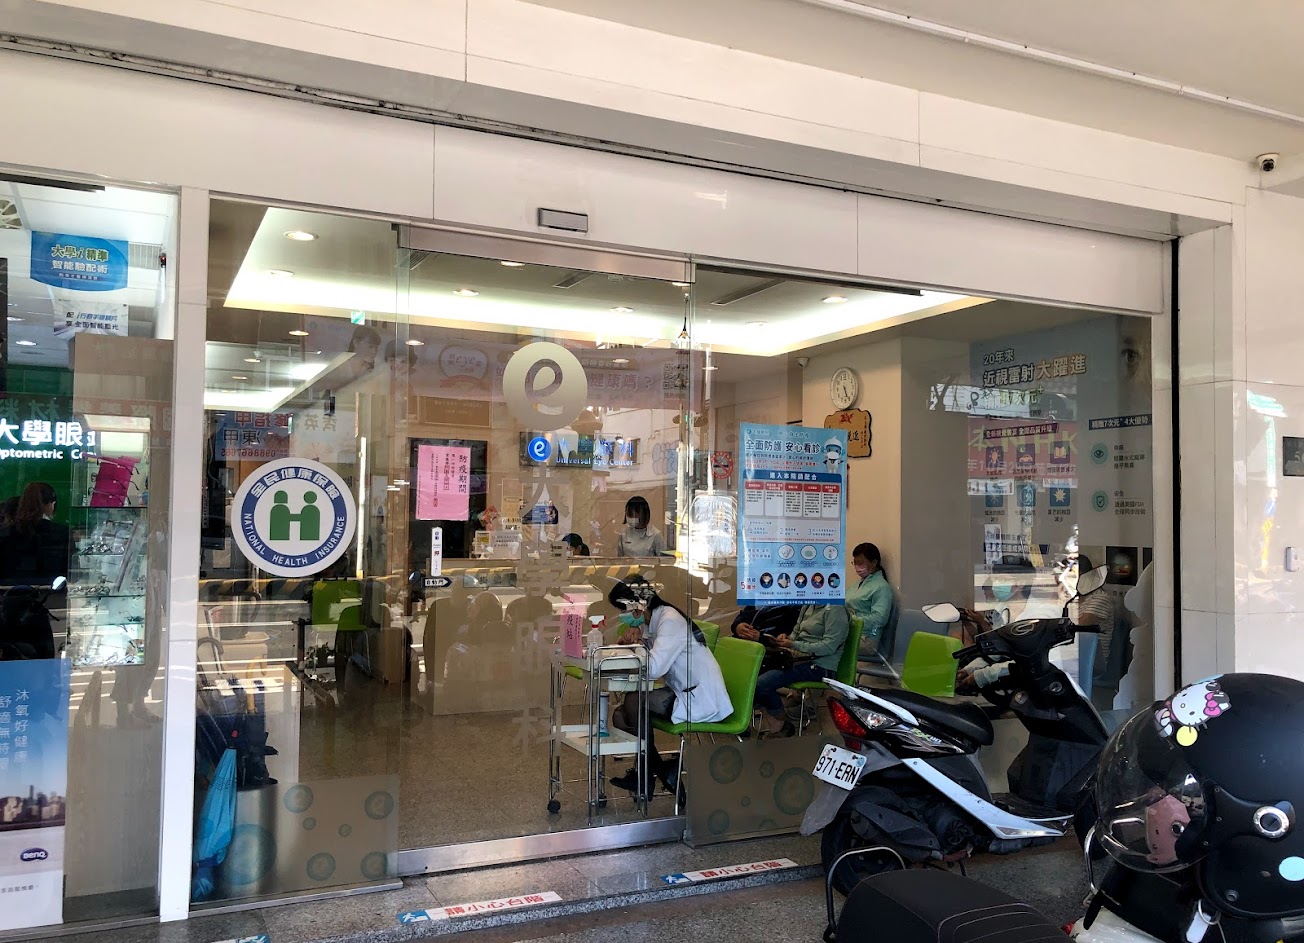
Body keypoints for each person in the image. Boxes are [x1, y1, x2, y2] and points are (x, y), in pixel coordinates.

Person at [608, 576, 731, 799]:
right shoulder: (651, 622)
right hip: (680, 691)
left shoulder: (670, 620)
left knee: (633, 701)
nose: (623, 614)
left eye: (625, 608)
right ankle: (660, 771)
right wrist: (635, 642)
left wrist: (637, 645)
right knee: (620, 716)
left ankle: (646, 776)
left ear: (640, 603)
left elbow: (654, 668)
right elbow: (652, 658)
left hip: (700, 696)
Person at [753, 603, 849, 737]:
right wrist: (786, 639)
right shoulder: (808, 605)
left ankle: (779, 722)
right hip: (798, 657)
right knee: (751, 676)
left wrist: (793, 644)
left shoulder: (836, 610)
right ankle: (776, 721)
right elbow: (796, 633)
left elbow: (829, 647)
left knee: (762, 684)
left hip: (819, 665)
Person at [0, 482, 70, 584]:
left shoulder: (6, 533)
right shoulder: (62, 533)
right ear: (52, 505)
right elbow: (69, 569)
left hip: (9, 590)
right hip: (51, 590)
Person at [1072, 553, 1117, 707]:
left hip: (1092, 660)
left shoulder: (1100, 598)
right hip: (1072, 652)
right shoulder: (1074, 598)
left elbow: (1078, 625)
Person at [845, 542, 893, 656]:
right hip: (849, 633)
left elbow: (879, 619)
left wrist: (852, 620)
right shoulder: (857, 584)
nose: (857, 566)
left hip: (866, 639)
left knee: (827, 645)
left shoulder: (881, 587)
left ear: (874, 562)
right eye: (855, 563)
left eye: (860, 563)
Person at [731, 603, 800, 639]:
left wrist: (760, 637)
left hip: (766, 651)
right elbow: (744, 614)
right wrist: (738, 626)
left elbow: (788, 631)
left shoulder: (794, 607)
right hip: (741, 642)